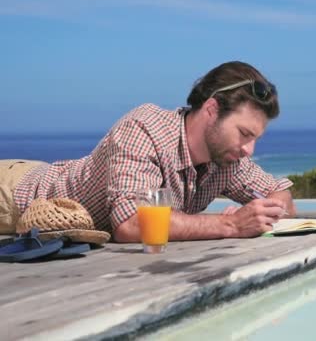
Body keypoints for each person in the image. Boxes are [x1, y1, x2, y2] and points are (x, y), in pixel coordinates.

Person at [0, 61, 296, 242]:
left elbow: (281, 193)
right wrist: (231, 224)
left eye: (255, 138)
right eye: (244, 133)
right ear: (211, 109)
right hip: (17, 198)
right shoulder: (145, 129)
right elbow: (130, 225)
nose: (249, 149)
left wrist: (268, 213)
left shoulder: (228, 158)